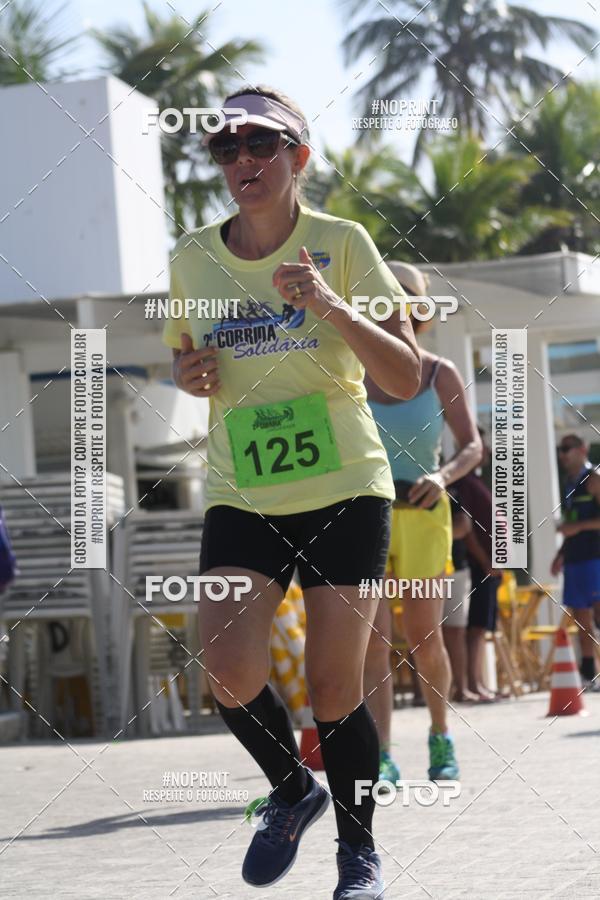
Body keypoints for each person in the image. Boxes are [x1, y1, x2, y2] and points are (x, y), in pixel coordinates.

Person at [162, 86, 421, 899]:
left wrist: (331, 305)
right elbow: (188, 357)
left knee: (336, 686)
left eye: (260, 145)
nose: (243, 159)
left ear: (297, 158)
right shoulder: (192, 257)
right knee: (228, 670)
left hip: (346, 482)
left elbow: (405, 373)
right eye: (226, 148)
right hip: (244, 488)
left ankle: (359, 854)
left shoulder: (341, 242)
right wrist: (187, 372)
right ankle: (290, 788)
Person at [363, 263, 482, 785]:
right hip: (366, 515)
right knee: (371, 640)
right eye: (379, 296)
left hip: (424, 516)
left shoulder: (439, 373)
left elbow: (473, 445)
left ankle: (440, 736)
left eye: (402, 298)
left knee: (423, 638)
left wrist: (442, 474)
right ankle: (381, 754)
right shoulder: (350, 369)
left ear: (420, 309)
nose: (391, 307)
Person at [455, 429, 502, 701]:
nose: (484, 451)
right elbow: (468, 529)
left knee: (481, 627)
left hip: (488, 566)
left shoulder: (475, 481)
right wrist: (486, 562)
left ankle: (479, 682)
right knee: (474, 628)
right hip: (477, 566)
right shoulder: (463, 483)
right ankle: (471, 683)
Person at [552, 434, 600, 688]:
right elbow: (570, 524)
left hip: (595, 557)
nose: (562, 454)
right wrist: (560, 555)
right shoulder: (568, 482)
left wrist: (578, 527)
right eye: (560, 449)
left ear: (583, 449)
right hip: (574, 559)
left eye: (567, 448)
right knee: (582, 622)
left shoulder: (594, 479)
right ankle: (590, 673)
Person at [443, 484, 480, 703]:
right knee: (422, 632)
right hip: (420, 570)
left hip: (455, 569)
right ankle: (425, 694)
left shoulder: (450, 490)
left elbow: (463, 525)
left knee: (455, 632)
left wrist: (431, 532)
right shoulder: (403, 484)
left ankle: (461, 688)